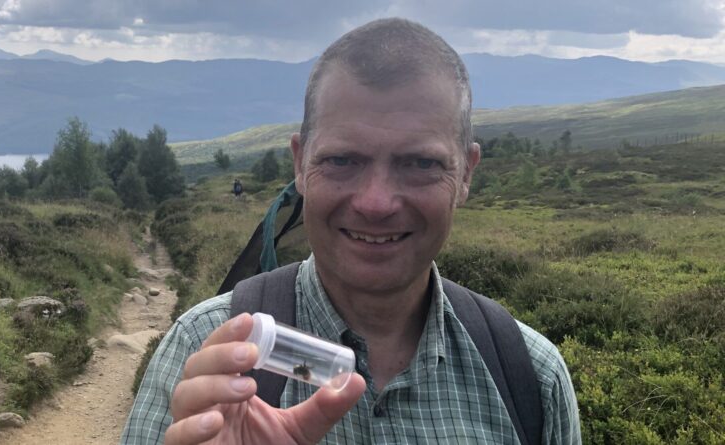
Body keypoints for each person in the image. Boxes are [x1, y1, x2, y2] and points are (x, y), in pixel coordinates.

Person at [122, 18, 581, 445]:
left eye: (421, 163)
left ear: (465, 174)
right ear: (300, 164)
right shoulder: (199, 353)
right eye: (342, 160)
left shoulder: (532, 377)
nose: (376, 203)